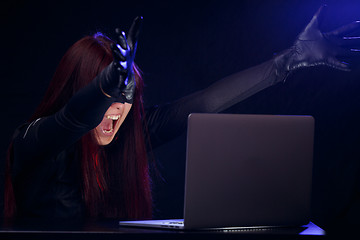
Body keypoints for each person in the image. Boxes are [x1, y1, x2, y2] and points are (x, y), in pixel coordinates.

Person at [4, 6, 360, 221]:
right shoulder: (35, 142)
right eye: (108, 96)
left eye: (125, 97)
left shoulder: (131, 135)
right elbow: (70, 121)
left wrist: (290, 60)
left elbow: (205, 103)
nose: (117, 110)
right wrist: (107, 83)